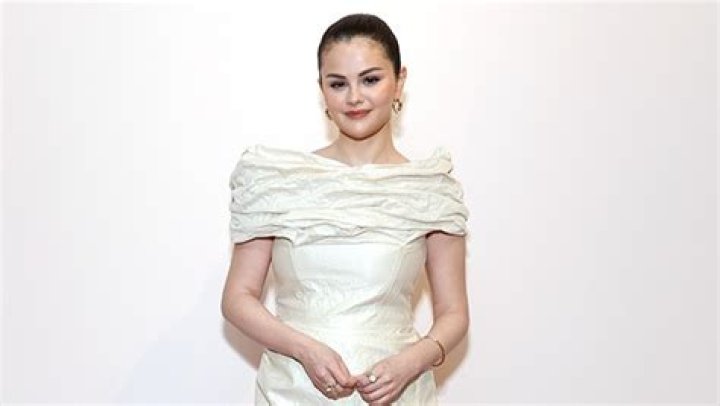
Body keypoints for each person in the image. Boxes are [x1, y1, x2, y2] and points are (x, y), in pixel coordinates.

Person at [222, 13, 470, 405]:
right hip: (292, 391)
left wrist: (411, 362)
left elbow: (454, 313)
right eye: (338, 84)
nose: (354, 97)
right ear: (322, 89)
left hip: (397, 392)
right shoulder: (276, 181)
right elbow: (238, 297)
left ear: (399, 81)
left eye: (370, 80)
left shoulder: (429, 191)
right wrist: (305, 349)